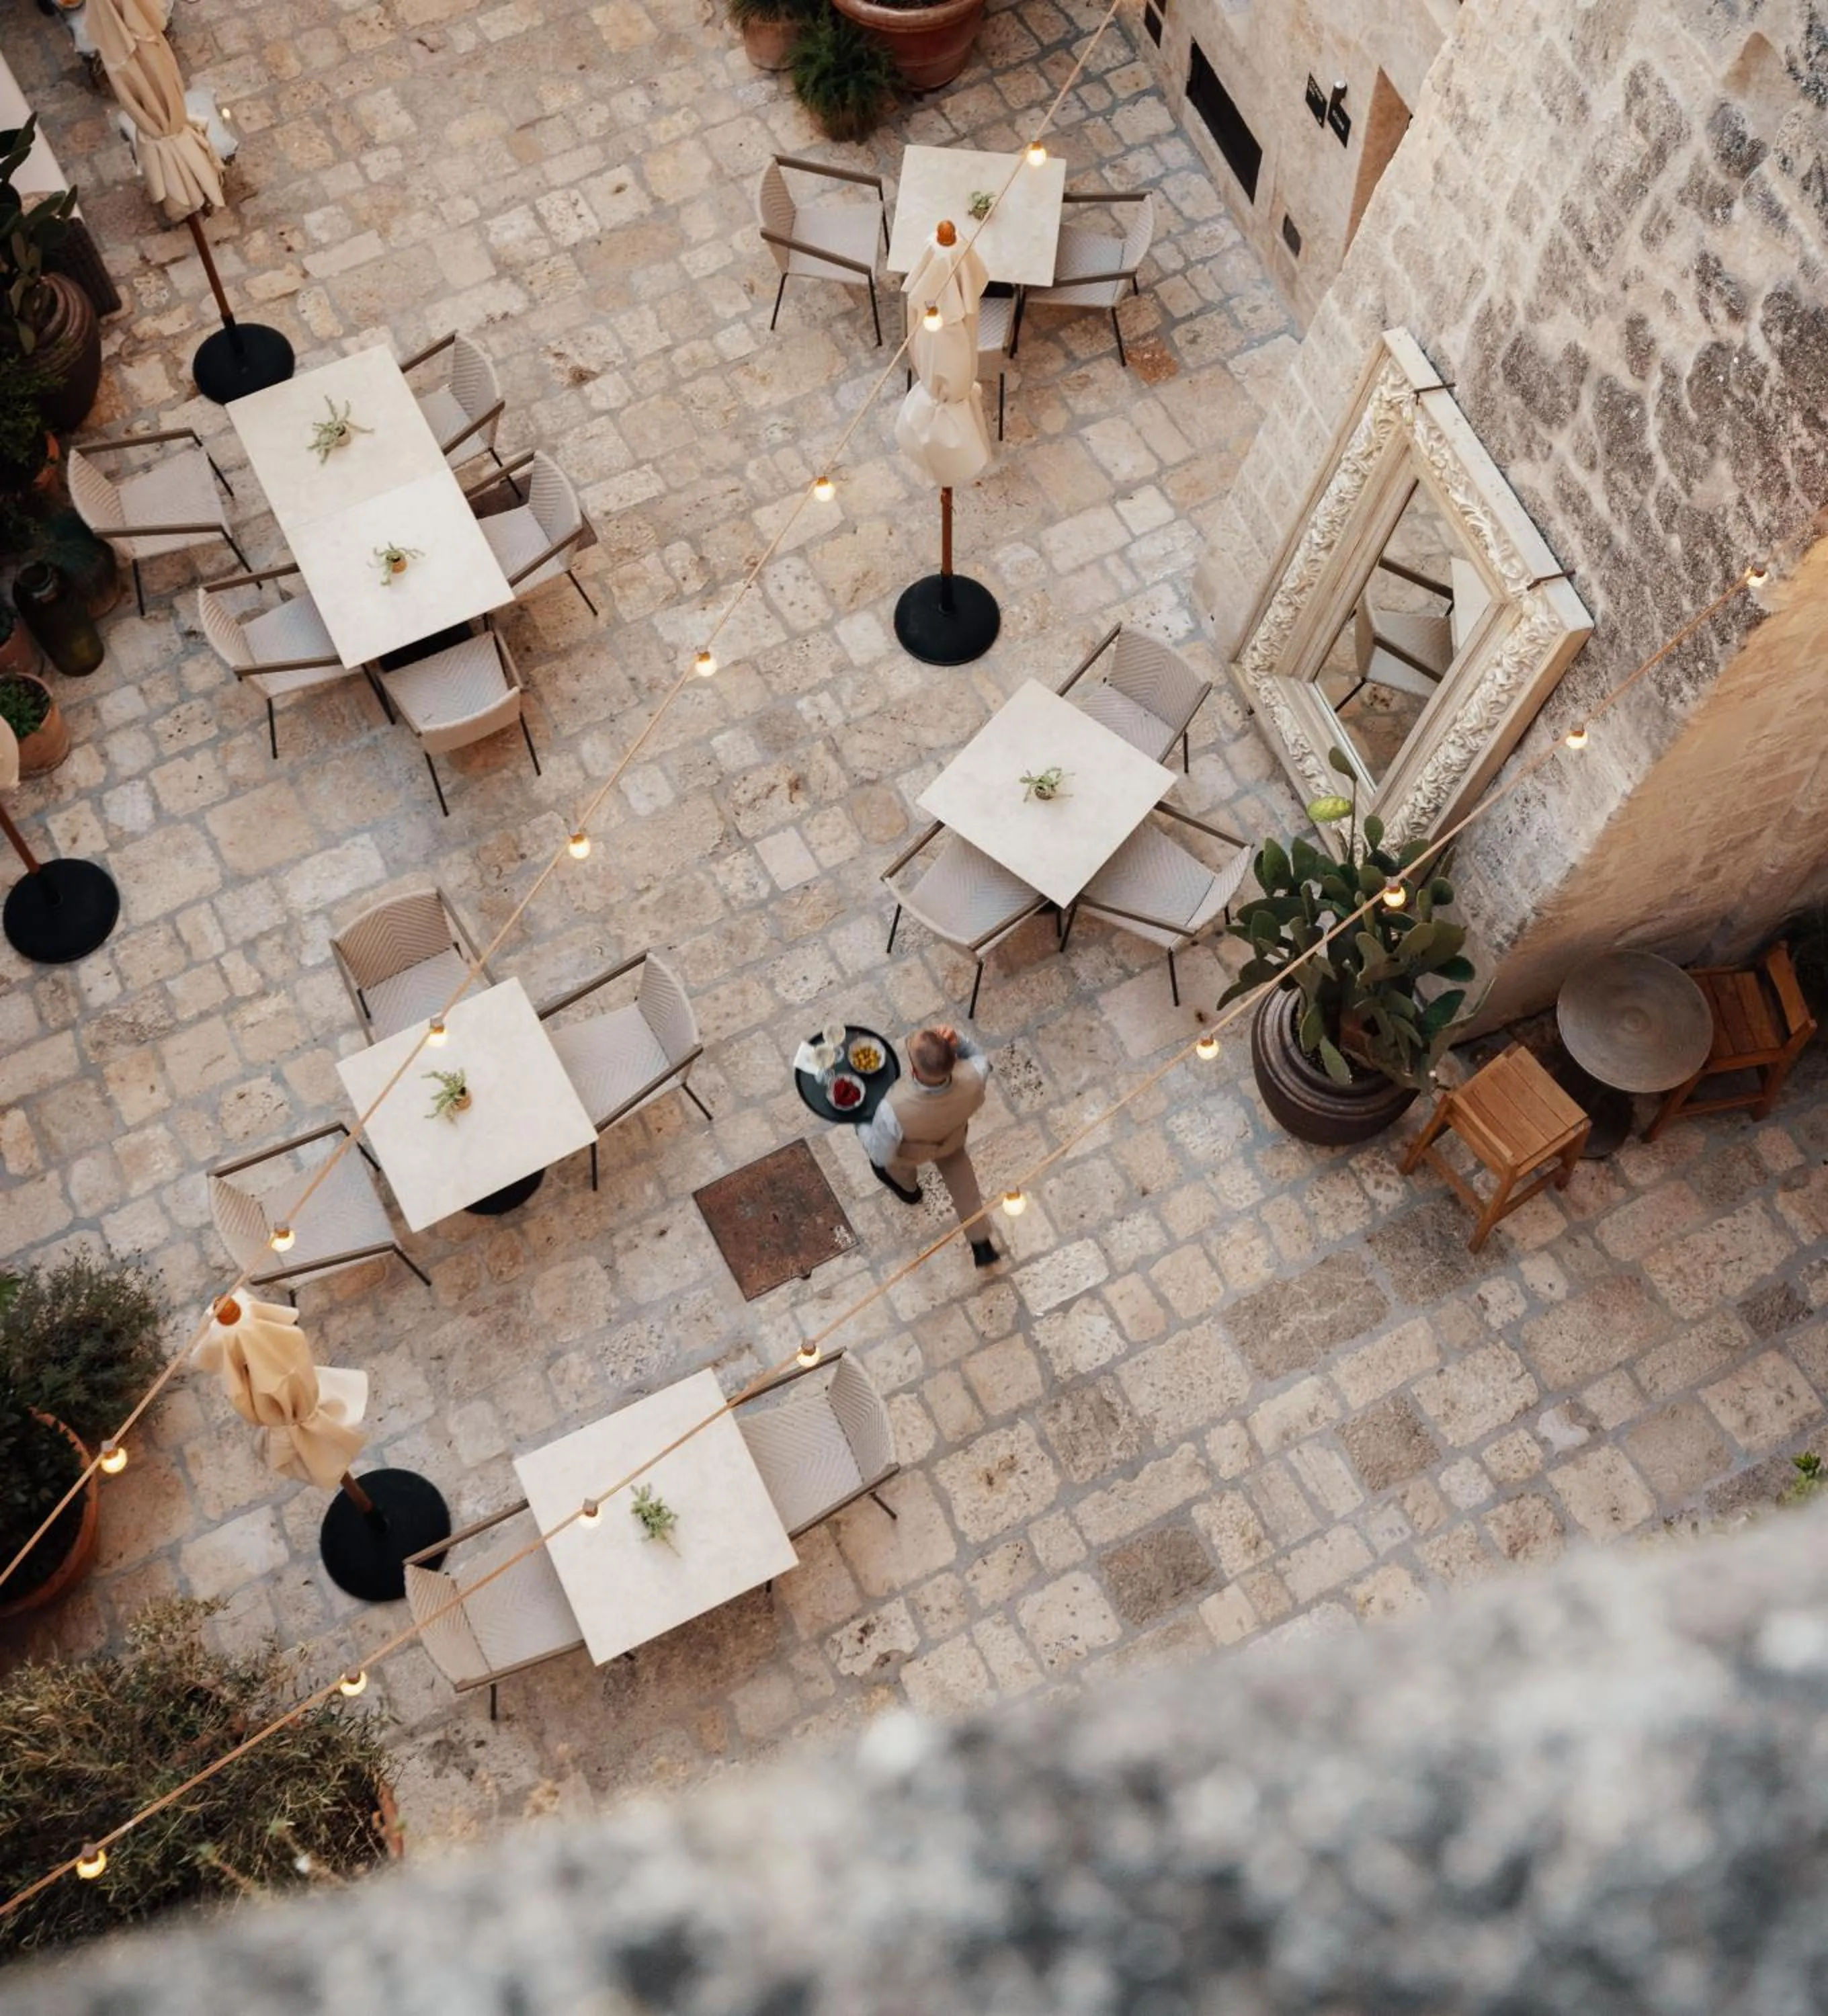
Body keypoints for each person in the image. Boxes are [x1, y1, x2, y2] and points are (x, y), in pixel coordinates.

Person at [857, 1024, 998, 1268]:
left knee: (893, 1166)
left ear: (913, 1069)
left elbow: (881, 1154)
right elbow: (979, 1057)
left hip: (912, 1152)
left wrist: (860, 1121)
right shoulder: (975, 1074)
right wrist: (960, 1039)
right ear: (953, 1057)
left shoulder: (891, 1110)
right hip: (952, 1139)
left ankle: (910, 1191)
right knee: (966, 1190)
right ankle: (981, 1243)